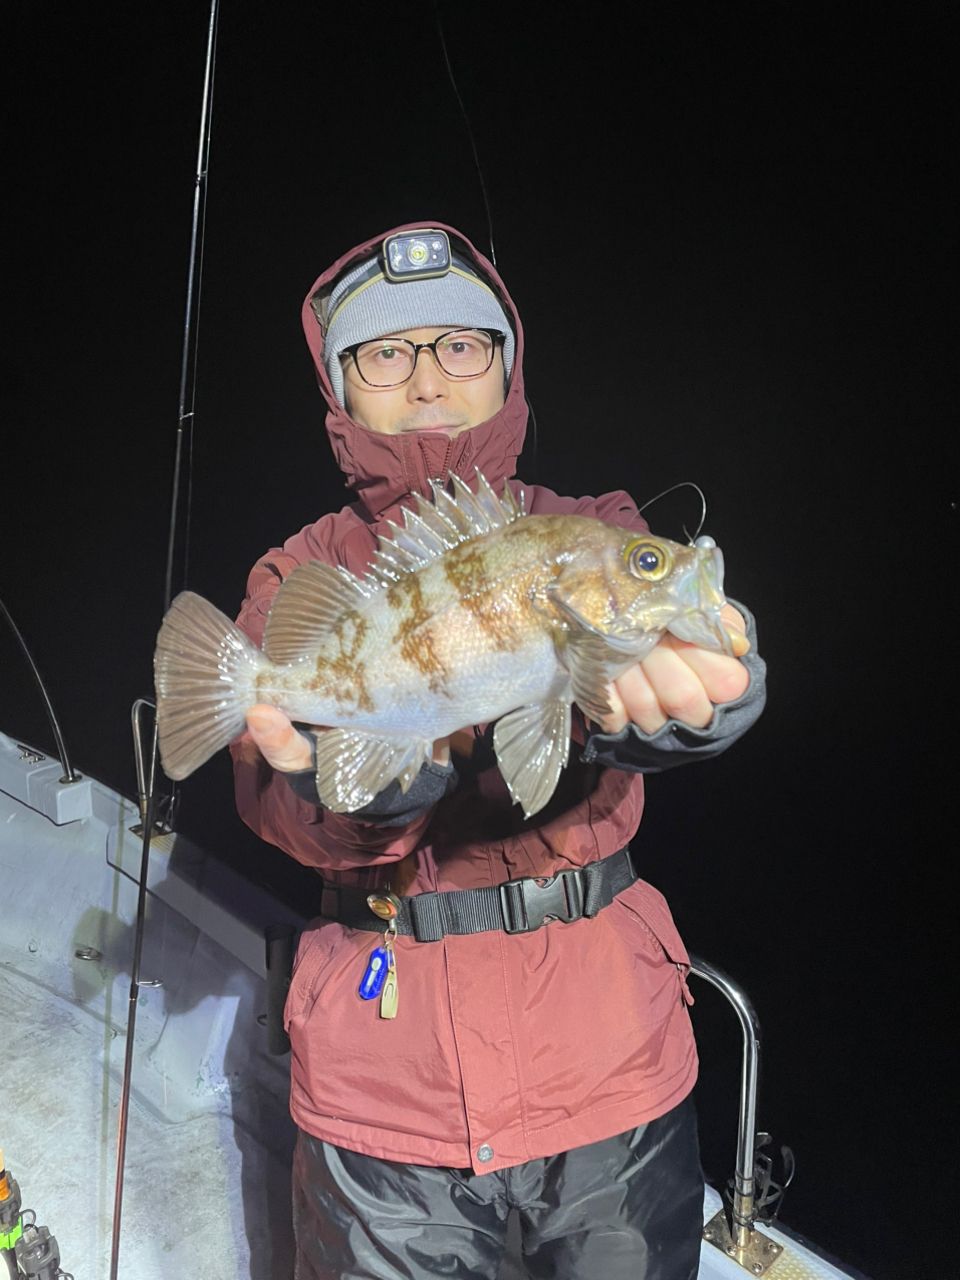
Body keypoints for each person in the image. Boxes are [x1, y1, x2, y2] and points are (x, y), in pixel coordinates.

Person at [230, 222, 766, 1280]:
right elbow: (272, 795)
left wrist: (708, 698)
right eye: (387, 352)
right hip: (384, 1101)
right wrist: (372, 790)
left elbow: (692, 640)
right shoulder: (301, 575)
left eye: (460, 345)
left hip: (612, 1070)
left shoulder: (589, 528)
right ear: (341, 387)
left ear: (506, 367)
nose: (427, 375)